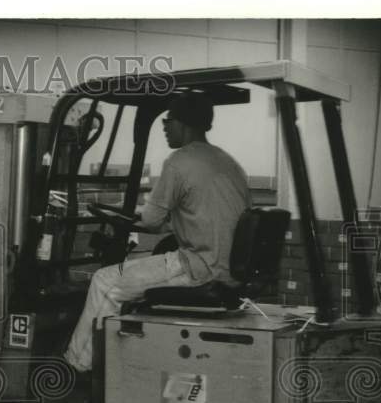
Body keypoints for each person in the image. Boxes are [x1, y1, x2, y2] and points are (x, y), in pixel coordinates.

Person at [64, 92, 251, 375]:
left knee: (105, 281)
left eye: (168, 120)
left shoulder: (178, 162)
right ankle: (118, 357)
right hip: (227, 267)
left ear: (183, 124)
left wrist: (129, 214)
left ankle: (75, 368)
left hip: (199, 268)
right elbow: (193, 215)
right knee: (135, 276)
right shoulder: (229, 162)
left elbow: (151, 221)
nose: (165, 126)